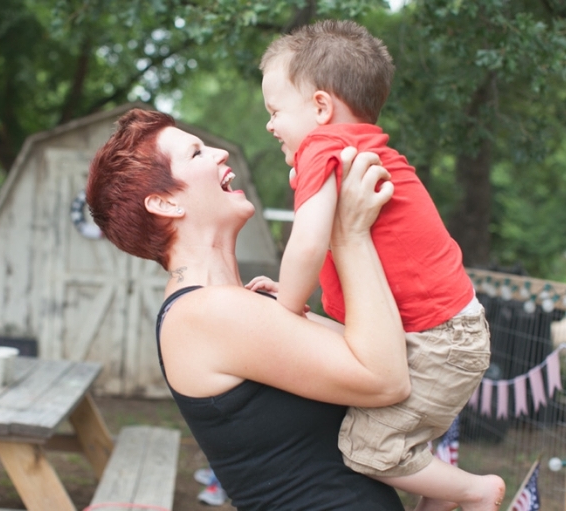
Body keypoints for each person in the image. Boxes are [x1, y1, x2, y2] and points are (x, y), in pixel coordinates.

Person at [87, 107, 410, 510]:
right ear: (165, 203)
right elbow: (386, 379)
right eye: (196, 153)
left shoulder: (243, 302)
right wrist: (350, 234)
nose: (220, 153)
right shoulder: (205, 313)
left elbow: (389, 353)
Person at [247, 19, 505, 511]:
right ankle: (447, 497)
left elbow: (307, 241)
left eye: (275, 111)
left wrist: (287, 307)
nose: (270, 125)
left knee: (370, 452)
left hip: (434, 340)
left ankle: (477, 492)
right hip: (443, 332)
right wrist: (296, 300)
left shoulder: (321, 147)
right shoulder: (364, 149)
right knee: (403, 448)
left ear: (320, 107)